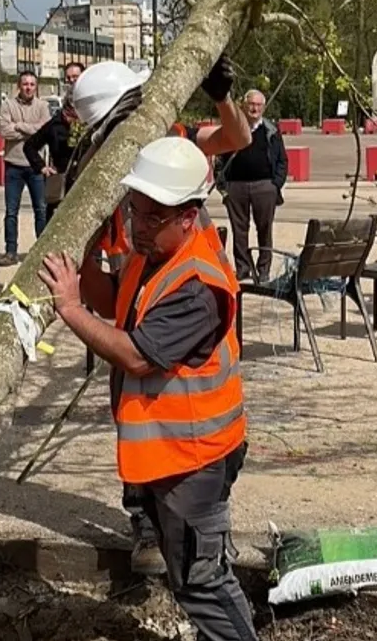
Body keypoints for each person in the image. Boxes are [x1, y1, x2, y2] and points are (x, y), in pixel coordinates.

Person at [39, 136, 269, 641]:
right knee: (185, 568)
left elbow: (138, 355)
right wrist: (84, 266)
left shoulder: (196, 285)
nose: (137, 224)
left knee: (199, 574)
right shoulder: (157, 251)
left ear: (188, 215)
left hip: (195, 454)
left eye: (152, 215)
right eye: (135, 208)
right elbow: (114, 299)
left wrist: (69, 311)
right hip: (172, 450)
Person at [68, 56, 251, 576]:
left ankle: (206, 534)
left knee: (200, 426)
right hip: (134, 303)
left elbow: (235, 136)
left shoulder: (173, 146)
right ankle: (147, 521)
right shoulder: (99, 184)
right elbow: (97, 275)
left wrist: (221, 95)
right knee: (140, 418)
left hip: (187, 300)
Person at [219, 89, 288, 282]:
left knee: (265, 229)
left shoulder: (271, 130)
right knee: (239, 230)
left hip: (264, 187)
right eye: (251, 104)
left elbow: (282, 160)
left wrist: (275, 186)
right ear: (244, 105)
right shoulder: (232, 128)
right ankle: (243, 269)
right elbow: (219, 160)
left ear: (263, 107)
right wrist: (224, 188)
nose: (254, 108)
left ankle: (263, 269)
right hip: (236, 186)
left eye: (258, 105)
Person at [0, 70, 51, 266]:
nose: (28, 87)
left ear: (36, 87)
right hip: (14, 165)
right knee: (11, 211)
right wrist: (31, 129)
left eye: (32, 84)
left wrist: (18, 125)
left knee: (41, 210)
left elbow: (45, 131)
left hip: (36, 166)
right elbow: (4, 131)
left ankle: (42, 251)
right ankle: (11, 251)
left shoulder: (43, 106)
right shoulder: (8, 105)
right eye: (25, 84)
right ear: (19, 86)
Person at [23, 93, 79, 223]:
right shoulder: (54, 125)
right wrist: (42, 167)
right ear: (67, 110)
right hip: (60, 179)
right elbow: (29, 146)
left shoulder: (86, 123)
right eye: (73, 114)